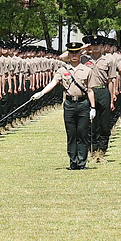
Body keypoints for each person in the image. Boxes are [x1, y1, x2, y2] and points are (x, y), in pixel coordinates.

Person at [32, 41, 91, 169]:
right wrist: (41, 93)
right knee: (71, 134)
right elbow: (53, 83)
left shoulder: (87, 70)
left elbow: (90, 90)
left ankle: (82, 162)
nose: (74, 55)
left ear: (81, 53)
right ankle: (73, 162)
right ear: (68, 54)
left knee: (82, 133)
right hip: (69, 104)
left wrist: (93, 107)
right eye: (71, 52)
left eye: (76, 52)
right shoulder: (62, 70)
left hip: (83, 103)